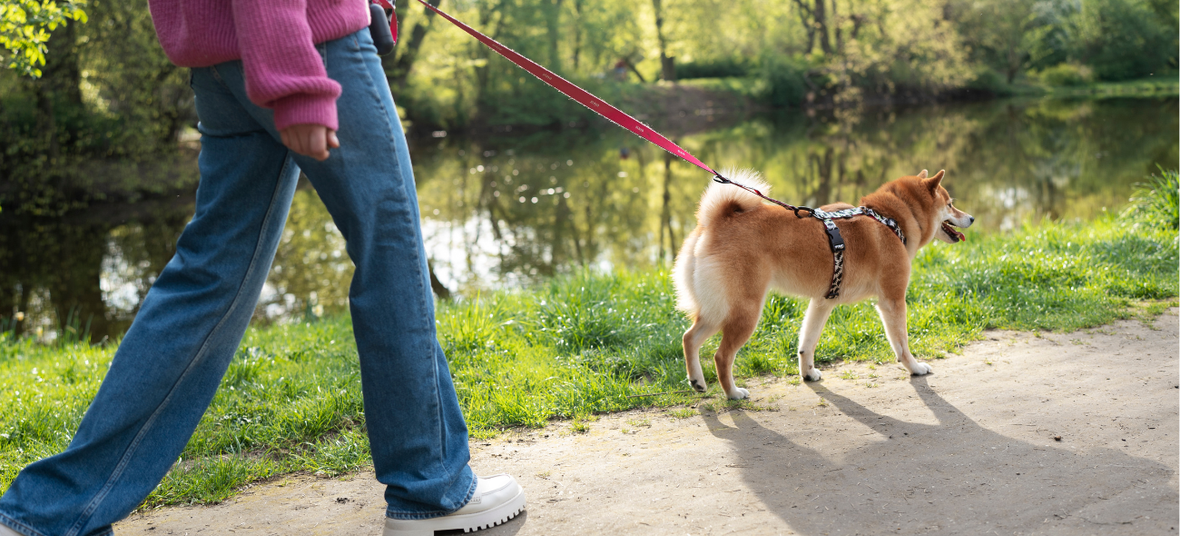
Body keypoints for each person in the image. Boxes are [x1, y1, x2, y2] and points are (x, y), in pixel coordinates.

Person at [0, 0, 525, 535]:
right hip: (305, 42)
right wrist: (293, 80)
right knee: (390, 252)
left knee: (209, 277)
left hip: (221, 53)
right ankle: (432, 490)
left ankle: (54, 510)